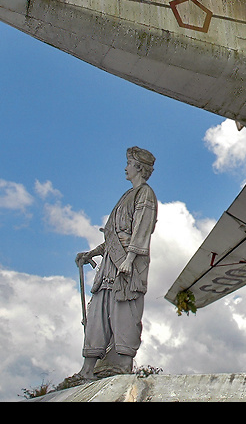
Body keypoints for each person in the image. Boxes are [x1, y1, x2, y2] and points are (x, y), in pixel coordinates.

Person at [72, 147, 158, 382]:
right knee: (98, 312)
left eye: (128, 163)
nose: (125, 167)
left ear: (139, 168)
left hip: (128, 264)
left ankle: (121, 365)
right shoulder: (125, 196)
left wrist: (129, 260)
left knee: (124, 313)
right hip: (111, 263)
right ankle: (89, 368)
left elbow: (141, 230)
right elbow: (112, 236)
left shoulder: (145, 194)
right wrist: (92, 253)